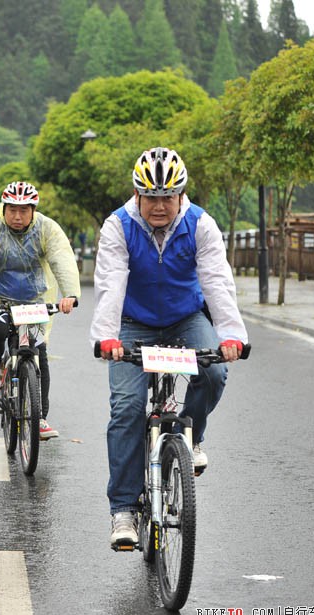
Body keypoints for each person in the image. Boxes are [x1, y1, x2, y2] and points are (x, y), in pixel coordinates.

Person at [90, 147, 247, 549]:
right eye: (151, 197)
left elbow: (217, 280)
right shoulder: (118, 226)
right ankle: (123, 509)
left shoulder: (201, 224)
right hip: (131, 324)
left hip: (185, 318)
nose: (159, 206)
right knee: (126, 407)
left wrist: (231, 335)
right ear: (137, 195)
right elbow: (111, 282)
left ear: (181, 195)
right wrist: (106, 336)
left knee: (213, 371)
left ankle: (189, 435)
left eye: (168, 197)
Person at [0, 182, 80, 441]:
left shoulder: (47, 228)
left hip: (34, 299)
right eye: (13, 210)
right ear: (4, 209)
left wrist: (71, 294)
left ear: (33, 210)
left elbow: (61, 259)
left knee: (38, 353)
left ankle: (40, 418)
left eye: (24, 210)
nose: (18, 216)